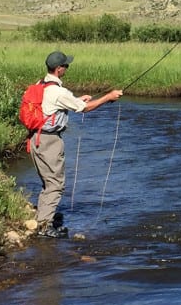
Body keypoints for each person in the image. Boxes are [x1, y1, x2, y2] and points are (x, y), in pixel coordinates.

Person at [30, 50, 122, 237]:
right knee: (55, 184)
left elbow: (52, 106)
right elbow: (85, 109)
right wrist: (108, 97)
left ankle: (42, 219)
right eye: (66, 65)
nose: (67, 68)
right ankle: (44, 227)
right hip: (49, 142)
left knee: (48, 182)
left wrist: (76, 100)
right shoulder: (58, 91)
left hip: (35, 138)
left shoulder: (40, 84)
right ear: (58, 69)